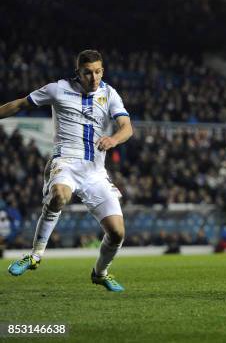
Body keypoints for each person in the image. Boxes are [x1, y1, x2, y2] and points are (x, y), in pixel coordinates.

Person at [2, 49, 133, 292]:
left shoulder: (109, 93)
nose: (93, 78)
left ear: (102, 71)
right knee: (60, 195)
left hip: (95, 171)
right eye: (87, 73)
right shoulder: (57, 89)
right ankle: (35, 255)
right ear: (78, 73)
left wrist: (114, 140)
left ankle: (100, 273)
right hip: (65, 162)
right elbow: (20, 104)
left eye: (97, 72)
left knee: (117, 233)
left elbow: (126, 127)